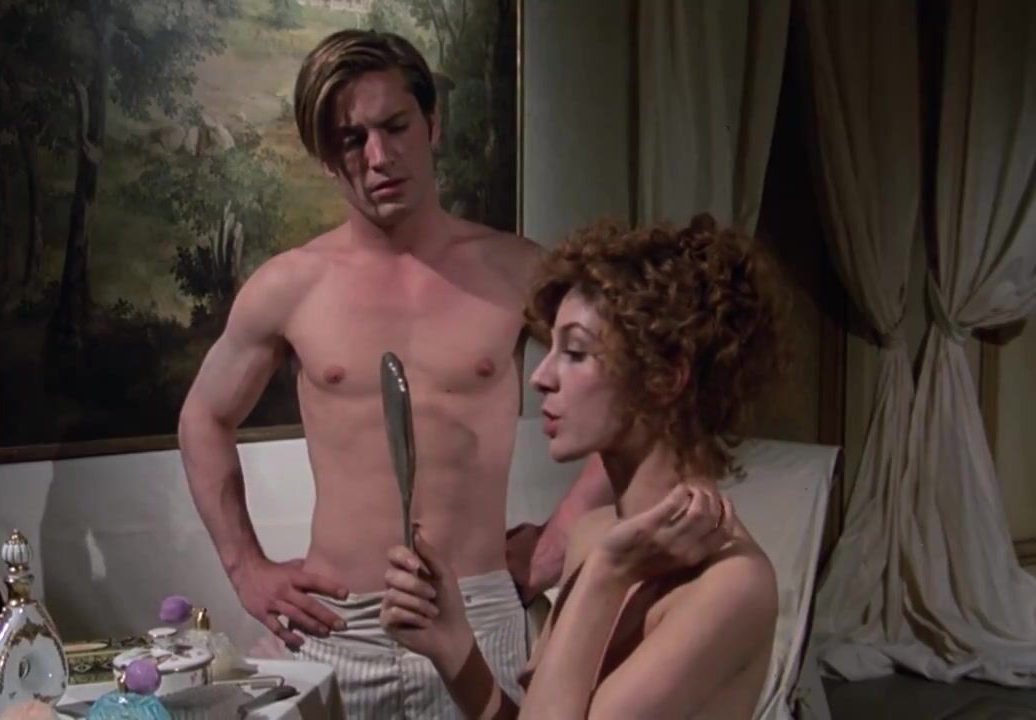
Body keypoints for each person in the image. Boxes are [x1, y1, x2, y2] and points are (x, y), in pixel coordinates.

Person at [177, 29, 608, 716]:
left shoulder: (518, 271)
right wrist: (245, 567)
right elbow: (204, 415)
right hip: (338, 624)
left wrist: (560, 539)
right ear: (327, 158)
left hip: (476, 610)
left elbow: (639, 392)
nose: (379, 157)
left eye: (395, 126)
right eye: (351, 139)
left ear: (432, 123)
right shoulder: (292, 285)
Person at [379, 213, 786, 719]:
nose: (541, 377)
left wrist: (607, 575)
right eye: (549, 348)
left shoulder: (729, 585)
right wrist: (453, 647)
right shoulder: (594, 535)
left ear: (665, 378)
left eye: (574, 352)